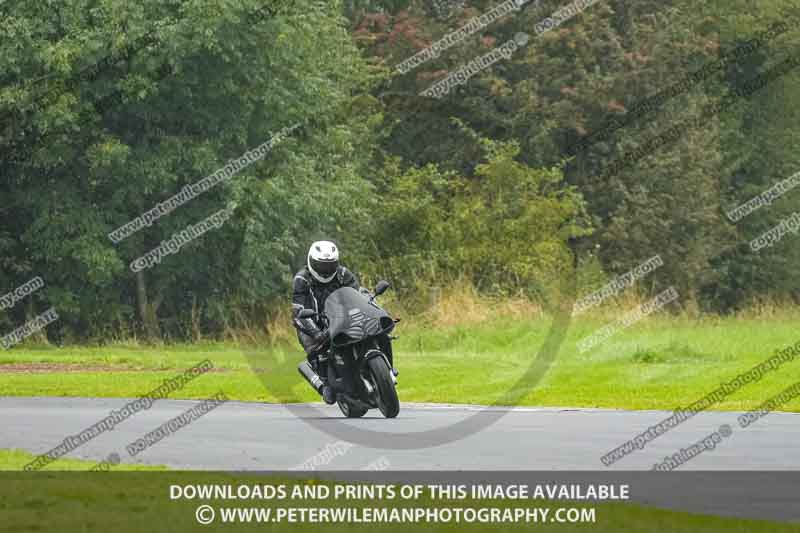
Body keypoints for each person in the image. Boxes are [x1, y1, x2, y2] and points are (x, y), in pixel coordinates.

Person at [292, 240, 360, 404]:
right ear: (311, 262)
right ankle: (323, 384)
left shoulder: (343, 274)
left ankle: (384, 369)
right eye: (321, 265)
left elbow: (357, 294)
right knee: (316, 350)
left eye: (330, 265)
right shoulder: (302, 279)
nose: (325, 270)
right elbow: (298, 310)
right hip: (311, 320)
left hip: (341, 316)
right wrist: (316, 333)